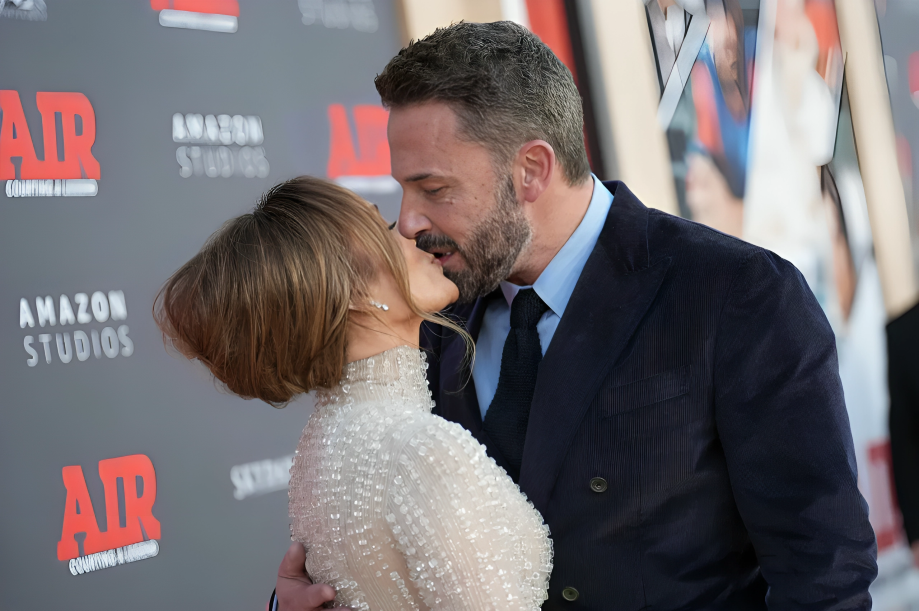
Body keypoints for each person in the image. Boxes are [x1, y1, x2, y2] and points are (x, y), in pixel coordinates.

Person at [276, 21, 877, 610]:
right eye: (403, 190)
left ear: (533, 169)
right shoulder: (422, 316)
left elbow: (823, 573)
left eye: (434, 189)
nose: (407, 222)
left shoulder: (739, 295)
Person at [155, 177, 552, 610]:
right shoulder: (419, 453)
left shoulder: (314, 458)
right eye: (383, 230)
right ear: (351, 294)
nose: (410, 232)